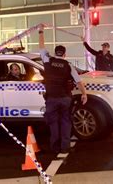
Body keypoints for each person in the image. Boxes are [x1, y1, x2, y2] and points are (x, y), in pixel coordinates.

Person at [39, 26, 87, 154]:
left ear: (55, 53)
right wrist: (84, 94)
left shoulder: (47, 60)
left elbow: (41, 46)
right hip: (65, 98)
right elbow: (78, 81)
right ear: (65, 54)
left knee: (53, 123)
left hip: (51, 98)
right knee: (66, 122)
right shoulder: (68, 65)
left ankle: (54, 147)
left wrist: (41, 31)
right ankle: (65, 147)